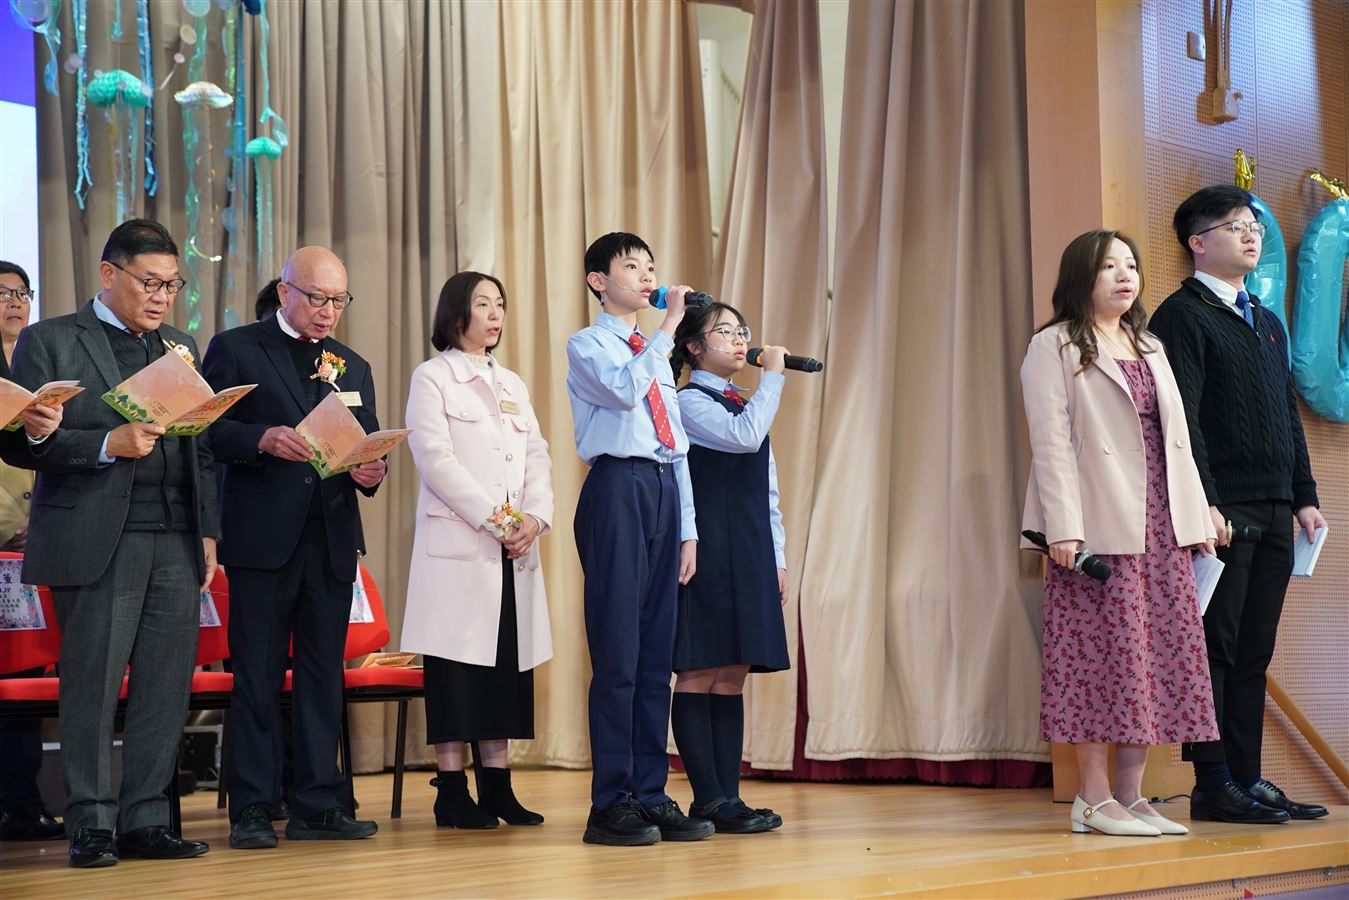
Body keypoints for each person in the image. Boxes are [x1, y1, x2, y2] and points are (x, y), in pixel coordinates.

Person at [9, 220, 218, 867]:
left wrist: (209, 532)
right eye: (149, 283)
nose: (161, 297)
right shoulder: (51, 341)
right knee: (93, 685)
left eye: (172, 285)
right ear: (109, 274)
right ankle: (92, 823)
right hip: (98, 539)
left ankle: (147, 819)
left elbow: (202, 450)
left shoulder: (180, 346)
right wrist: (107, 443)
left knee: (165, 685)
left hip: (175, 537)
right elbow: (19, 443)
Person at [1020, 229, 1220, 837]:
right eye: (1109, 266)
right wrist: (1064, 527)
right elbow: (1051, 444)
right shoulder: (1053, 345)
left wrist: (1198, 514)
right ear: (1082, 276)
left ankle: (1132, 797)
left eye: (1130, 265)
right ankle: (1092, 797)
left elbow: (1176, 441)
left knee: (1153, 657)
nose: (1124, 276)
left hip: (1161, 522)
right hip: (1098, 524)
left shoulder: (1149, 343)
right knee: (1097, 659)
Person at [1150, 185, 1329, 825]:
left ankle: (1247, 778)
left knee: (1254, 650)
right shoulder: (1181, 315)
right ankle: (1213, 782)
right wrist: (1205, 502)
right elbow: (1182, 423)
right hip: (1224, 511)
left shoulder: (1267, 320)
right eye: (1235, 226)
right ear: (1198, 242)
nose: (1252, 234)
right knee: (1216, 650)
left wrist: (1304, 496)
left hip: (1276, 507)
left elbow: (1286, 414)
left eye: (1253, 225)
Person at [203, 246, 385, 849]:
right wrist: (261, 438)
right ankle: (253, 807)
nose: (329, 310)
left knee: (321, 675)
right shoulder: (237, 348)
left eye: (339, 300)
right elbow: (207, 431)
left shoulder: (352, 365)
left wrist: (371, 471)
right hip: (262, 541)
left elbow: (365, 443)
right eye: (317, 298)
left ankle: (318, 803)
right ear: (285, 292)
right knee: (256, 675)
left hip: (330, 539)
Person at [567, 232, 712, 846]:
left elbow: (675, 441)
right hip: (617, 489)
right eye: (633, 267)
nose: (648, 277)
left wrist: (689, 530)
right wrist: (669, 324)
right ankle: (611, 801)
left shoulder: (653, 352)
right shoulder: (589, 345)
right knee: (619, 651)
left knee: (656, 656)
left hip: (662, 492)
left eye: (651, 267)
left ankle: (651, 793)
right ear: (599, 281)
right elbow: (625, 391)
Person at [400, 272, 554, 829]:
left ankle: (497, 787)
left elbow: (536, 455)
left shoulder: (511, 382)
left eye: (500, 304)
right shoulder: (433, 376)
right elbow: (435, 459)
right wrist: (500, 520)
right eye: (483, 303)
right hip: (462, 546)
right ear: (455, 313)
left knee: (505, 668)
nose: (495, 314)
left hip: (513, 549)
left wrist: (534, 518)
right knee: (457, 670)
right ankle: (451, 791)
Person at [667, 302, 789, 835]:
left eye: (742, 331)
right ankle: (707, 797)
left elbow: (768, 490)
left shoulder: (744, 401)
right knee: (700, 666)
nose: (740, 340)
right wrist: (774, 378)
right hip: (709, 546)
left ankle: (730, 798)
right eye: (725, 332)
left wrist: (777, 557)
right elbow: (744, 437)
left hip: (751, 546)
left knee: (734, 670)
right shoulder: (689, 401)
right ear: (695, 347)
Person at [0, 260, 64, 844]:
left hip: (36, 543)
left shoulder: (43, 364)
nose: (14, 302)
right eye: (2, 293)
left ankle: (23, 802)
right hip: (3, 535)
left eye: (22, 292)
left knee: (25, 670)